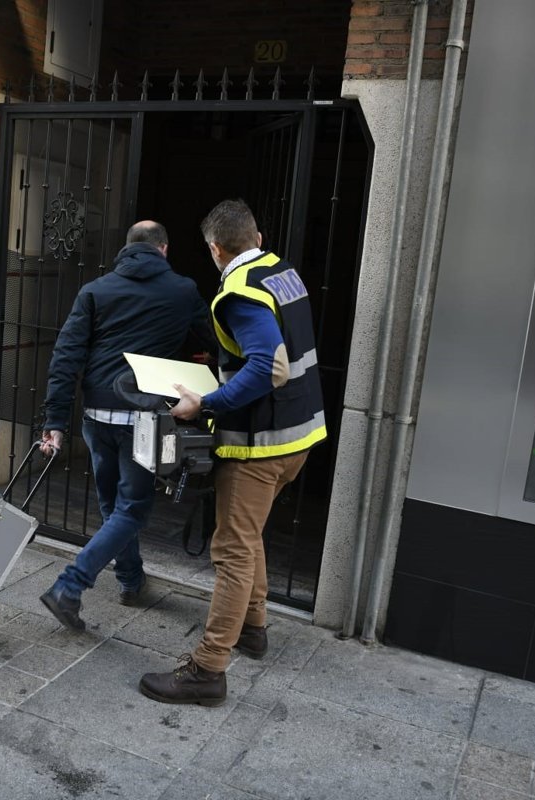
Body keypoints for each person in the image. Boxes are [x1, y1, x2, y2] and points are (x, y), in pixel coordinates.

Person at [139, 199, 326, 706]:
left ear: (215, 250)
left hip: (259, 448)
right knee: (248, 534)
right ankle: (253, 628)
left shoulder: (238, 293)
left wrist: (206, 403)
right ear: (257, 238)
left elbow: (270, 366)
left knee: (231, 551)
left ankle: (208, 670)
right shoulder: (281, 272)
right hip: (299, 438)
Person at [38, 220, 211, 631]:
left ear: (127, 248)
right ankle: (70, 585)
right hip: (143, 419)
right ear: (163, 249)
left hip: (97, 416)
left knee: (113, 505)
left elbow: (66, 356)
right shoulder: (183, 290)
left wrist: (56, 419)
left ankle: (131, 580)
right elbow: (213, 340)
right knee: (131, 509)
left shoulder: (95, 290)